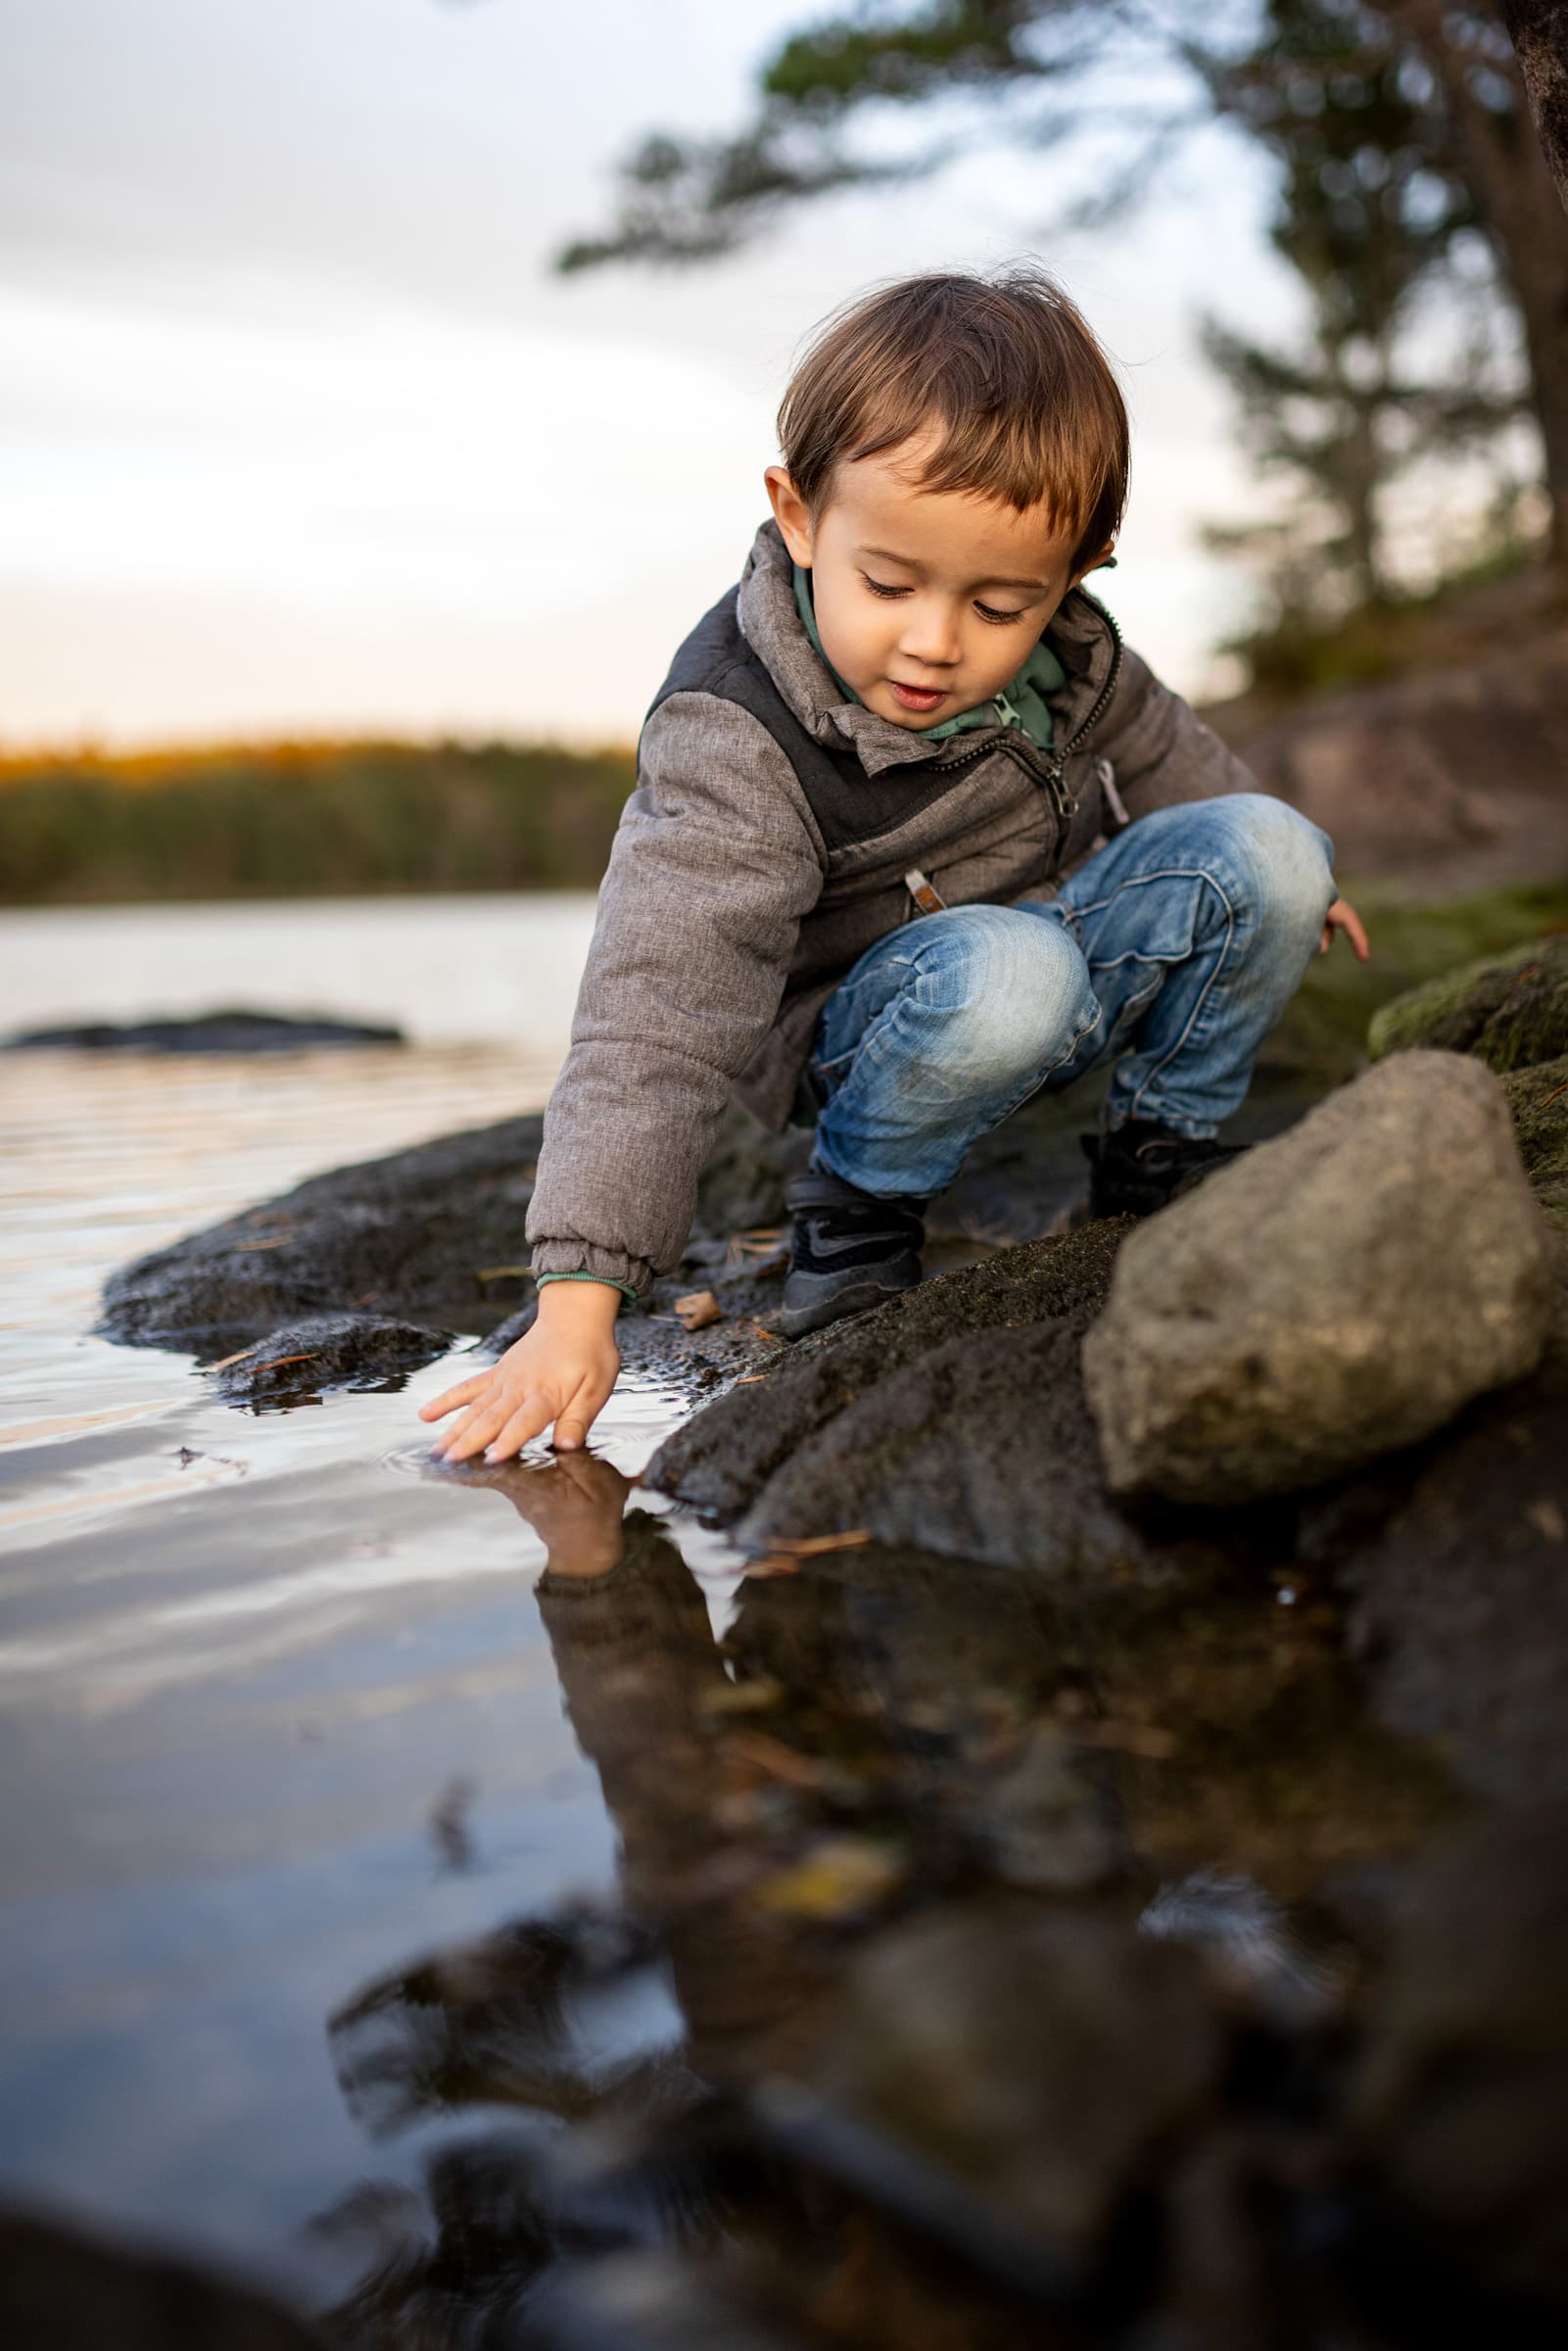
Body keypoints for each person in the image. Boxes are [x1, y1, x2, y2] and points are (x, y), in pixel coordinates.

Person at [423, 266, 1367, 1466]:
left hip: (1050, 947)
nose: (934, 642)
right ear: (798, 515)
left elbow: (1160, 744)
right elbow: (655, 1010)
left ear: (1076, 571)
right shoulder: (736, 734)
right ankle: (858, 1204)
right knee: (1012, 970)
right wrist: (578, 1302)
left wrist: (1288, 887)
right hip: (875, 1026)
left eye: (999, 605)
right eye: (887, 584)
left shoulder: (1071, 656)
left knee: (1277, 845)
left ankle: (1156, 1154)